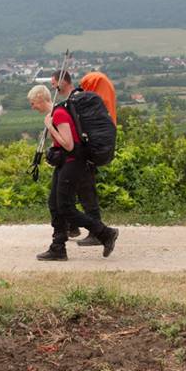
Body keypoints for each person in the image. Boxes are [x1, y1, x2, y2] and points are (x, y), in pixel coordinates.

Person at [28, 83, 118, 261]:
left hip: (73, 163)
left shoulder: (59, 114)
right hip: (65, 163)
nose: (32, 107)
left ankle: (105, 233)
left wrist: (50, 126)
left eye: (33, 103)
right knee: (54, 204)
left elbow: (69, 144)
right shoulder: (54, 114)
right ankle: (58, 247)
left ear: (40, 98)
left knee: (66, 208)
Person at [54, 70, 116, 246]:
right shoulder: (88, 102)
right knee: (82, 192)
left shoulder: (76, 102)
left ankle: (98, 232)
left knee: (85, 193)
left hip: (81, 155)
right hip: (87, 153)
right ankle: (81, 228)